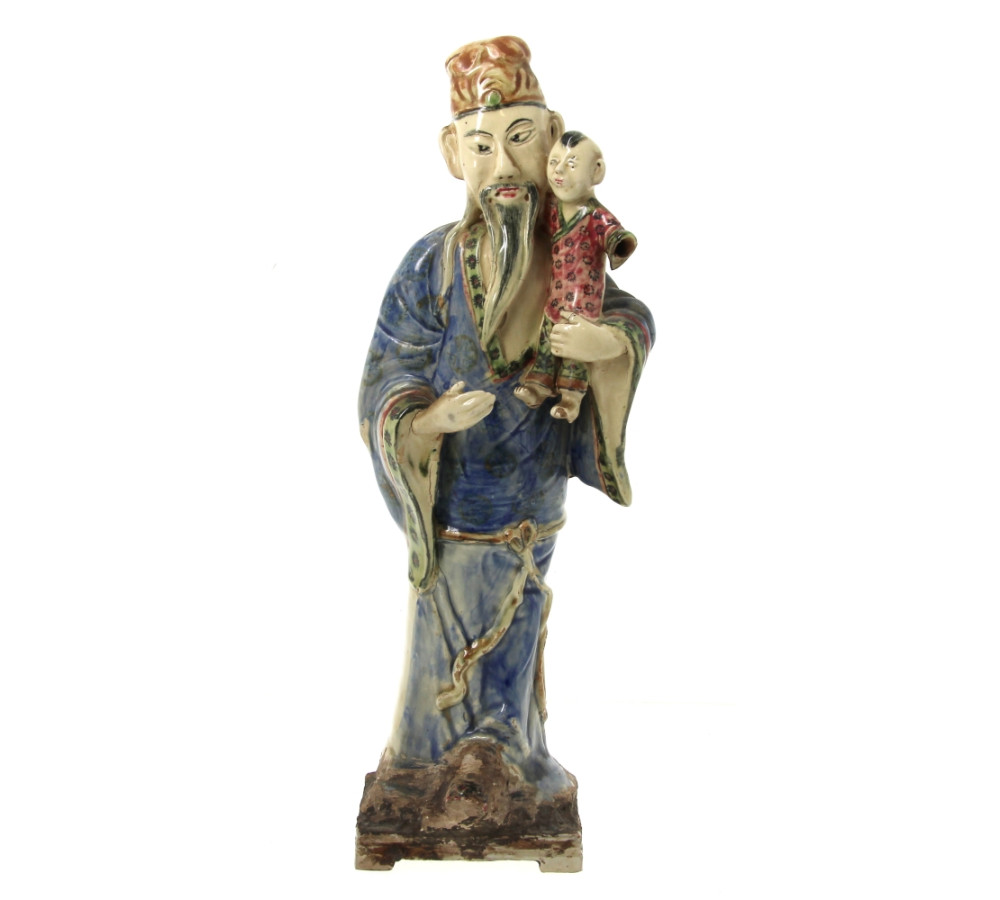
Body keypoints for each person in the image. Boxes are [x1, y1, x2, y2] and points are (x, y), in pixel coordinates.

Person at [356, 36, 654, 862]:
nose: (505, 165)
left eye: (522, 138)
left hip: (531, 507)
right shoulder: (432, 264)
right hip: (452, 509)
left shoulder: (575, 246)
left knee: (516, 652)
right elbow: (386, 373)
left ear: (553, 138)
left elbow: (630, 319)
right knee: (435, 655)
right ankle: (415, 779)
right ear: (453, 154)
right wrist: (423, 421)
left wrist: (608, 345)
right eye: (482, 145)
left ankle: (514, 770)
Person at [515, 131, 637, 422]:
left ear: (596, 172)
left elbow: (616, 236)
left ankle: (571, 399)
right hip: (554, 297)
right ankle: (539, 386)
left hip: (583, 304)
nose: (558, 171)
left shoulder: (595, 216)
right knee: (547, 344)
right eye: (554, 162)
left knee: (574, 355)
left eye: (571, 165)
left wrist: (620, 245)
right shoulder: (553, 208)